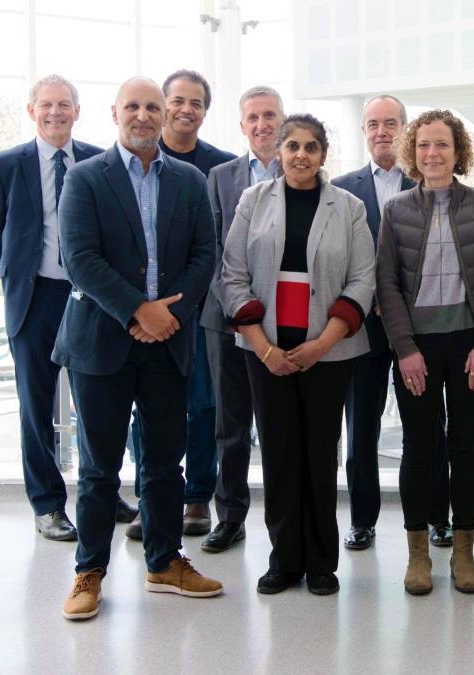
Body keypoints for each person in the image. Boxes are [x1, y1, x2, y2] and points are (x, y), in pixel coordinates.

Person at [54, 76, 221, 620]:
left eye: (154, 107)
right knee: (100, 467)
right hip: (102, 342)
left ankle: (165, 561)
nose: (145, 115)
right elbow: (79, 257)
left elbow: (205, 254)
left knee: (164, 462)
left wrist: (166, 316)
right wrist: (137, 310)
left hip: (168, 342)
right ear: (115, 113)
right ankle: (89, 572)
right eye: (135, 106)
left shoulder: (191, 181)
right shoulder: (84, 178)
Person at [0, 74, 137, 541]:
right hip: (36, 298)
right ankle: (47, 505)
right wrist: (17, 275)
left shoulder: (98, 161)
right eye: (46, 104)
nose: (55, 112)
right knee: (36, 404)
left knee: (99, 401)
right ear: (31, 111)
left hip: (92, 298)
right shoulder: (5, 165)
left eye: (64, 104)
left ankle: (102, 489)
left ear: (77, 111)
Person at [220, 113, 375, 595]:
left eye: (311, 147)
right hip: (266, 350)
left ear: (323, 155)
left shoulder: (348, 207)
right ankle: (284, 561)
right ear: (280, 151)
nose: (301, 155)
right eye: (292, 146)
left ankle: (321, 563)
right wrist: (264, 349)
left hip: (328, 350)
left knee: (319, 455)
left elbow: (362, 279)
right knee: (281, 455)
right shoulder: (252, 200)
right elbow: (232, 275)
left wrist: (323, 343)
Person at [376, 109, 474, 595]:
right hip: (416, 349)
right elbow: (386, 283)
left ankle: (463, 554)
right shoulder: (396, 210)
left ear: (458, 153)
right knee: (418, 447)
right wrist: (404, 349)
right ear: (413, 152)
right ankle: (418, 557)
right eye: (424, 145)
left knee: (464, 447)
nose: (433, 154)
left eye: (443, 146)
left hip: (470, 346)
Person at [332, 95, 453, 551]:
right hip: (360, 329)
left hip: (416, 330)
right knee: (360, 428)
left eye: (391, 123)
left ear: (405, 129)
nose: (382, 131)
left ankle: (435, 517)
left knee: (426, 426)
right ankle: (362, 519)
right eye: (373, 124)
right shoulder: (341, 189)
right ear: (364, 131)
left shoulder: (431, 184)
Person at [126, 69, 237, 540]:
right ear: (163, 105)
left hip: (197, 307)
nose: (185, 109)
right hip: (135, 314)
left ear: (205, 112)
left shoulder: (219, 165)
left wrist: (179, 306)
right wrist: (141, 309)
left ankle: (196, 498)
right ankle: (150, 500)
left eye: (196, 102)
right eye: (177, 100)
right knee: (144, 407)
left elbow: (212, 245)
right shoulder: (138, 154)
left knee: (201, 404)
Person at [199, 85, 285, 553]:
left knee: (277, 426)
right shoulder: (219, 176)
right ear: (241, 125)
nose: (262, 124)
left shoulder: (304, 169)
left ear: (282, 119)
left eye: (269, 115)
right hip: (227, 319)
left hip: (287, 322)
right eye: (252, 117)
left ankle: (283, 520)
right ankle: (230, 517)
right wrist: (238, 308)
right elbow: (211, 248)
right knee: (230, 425)